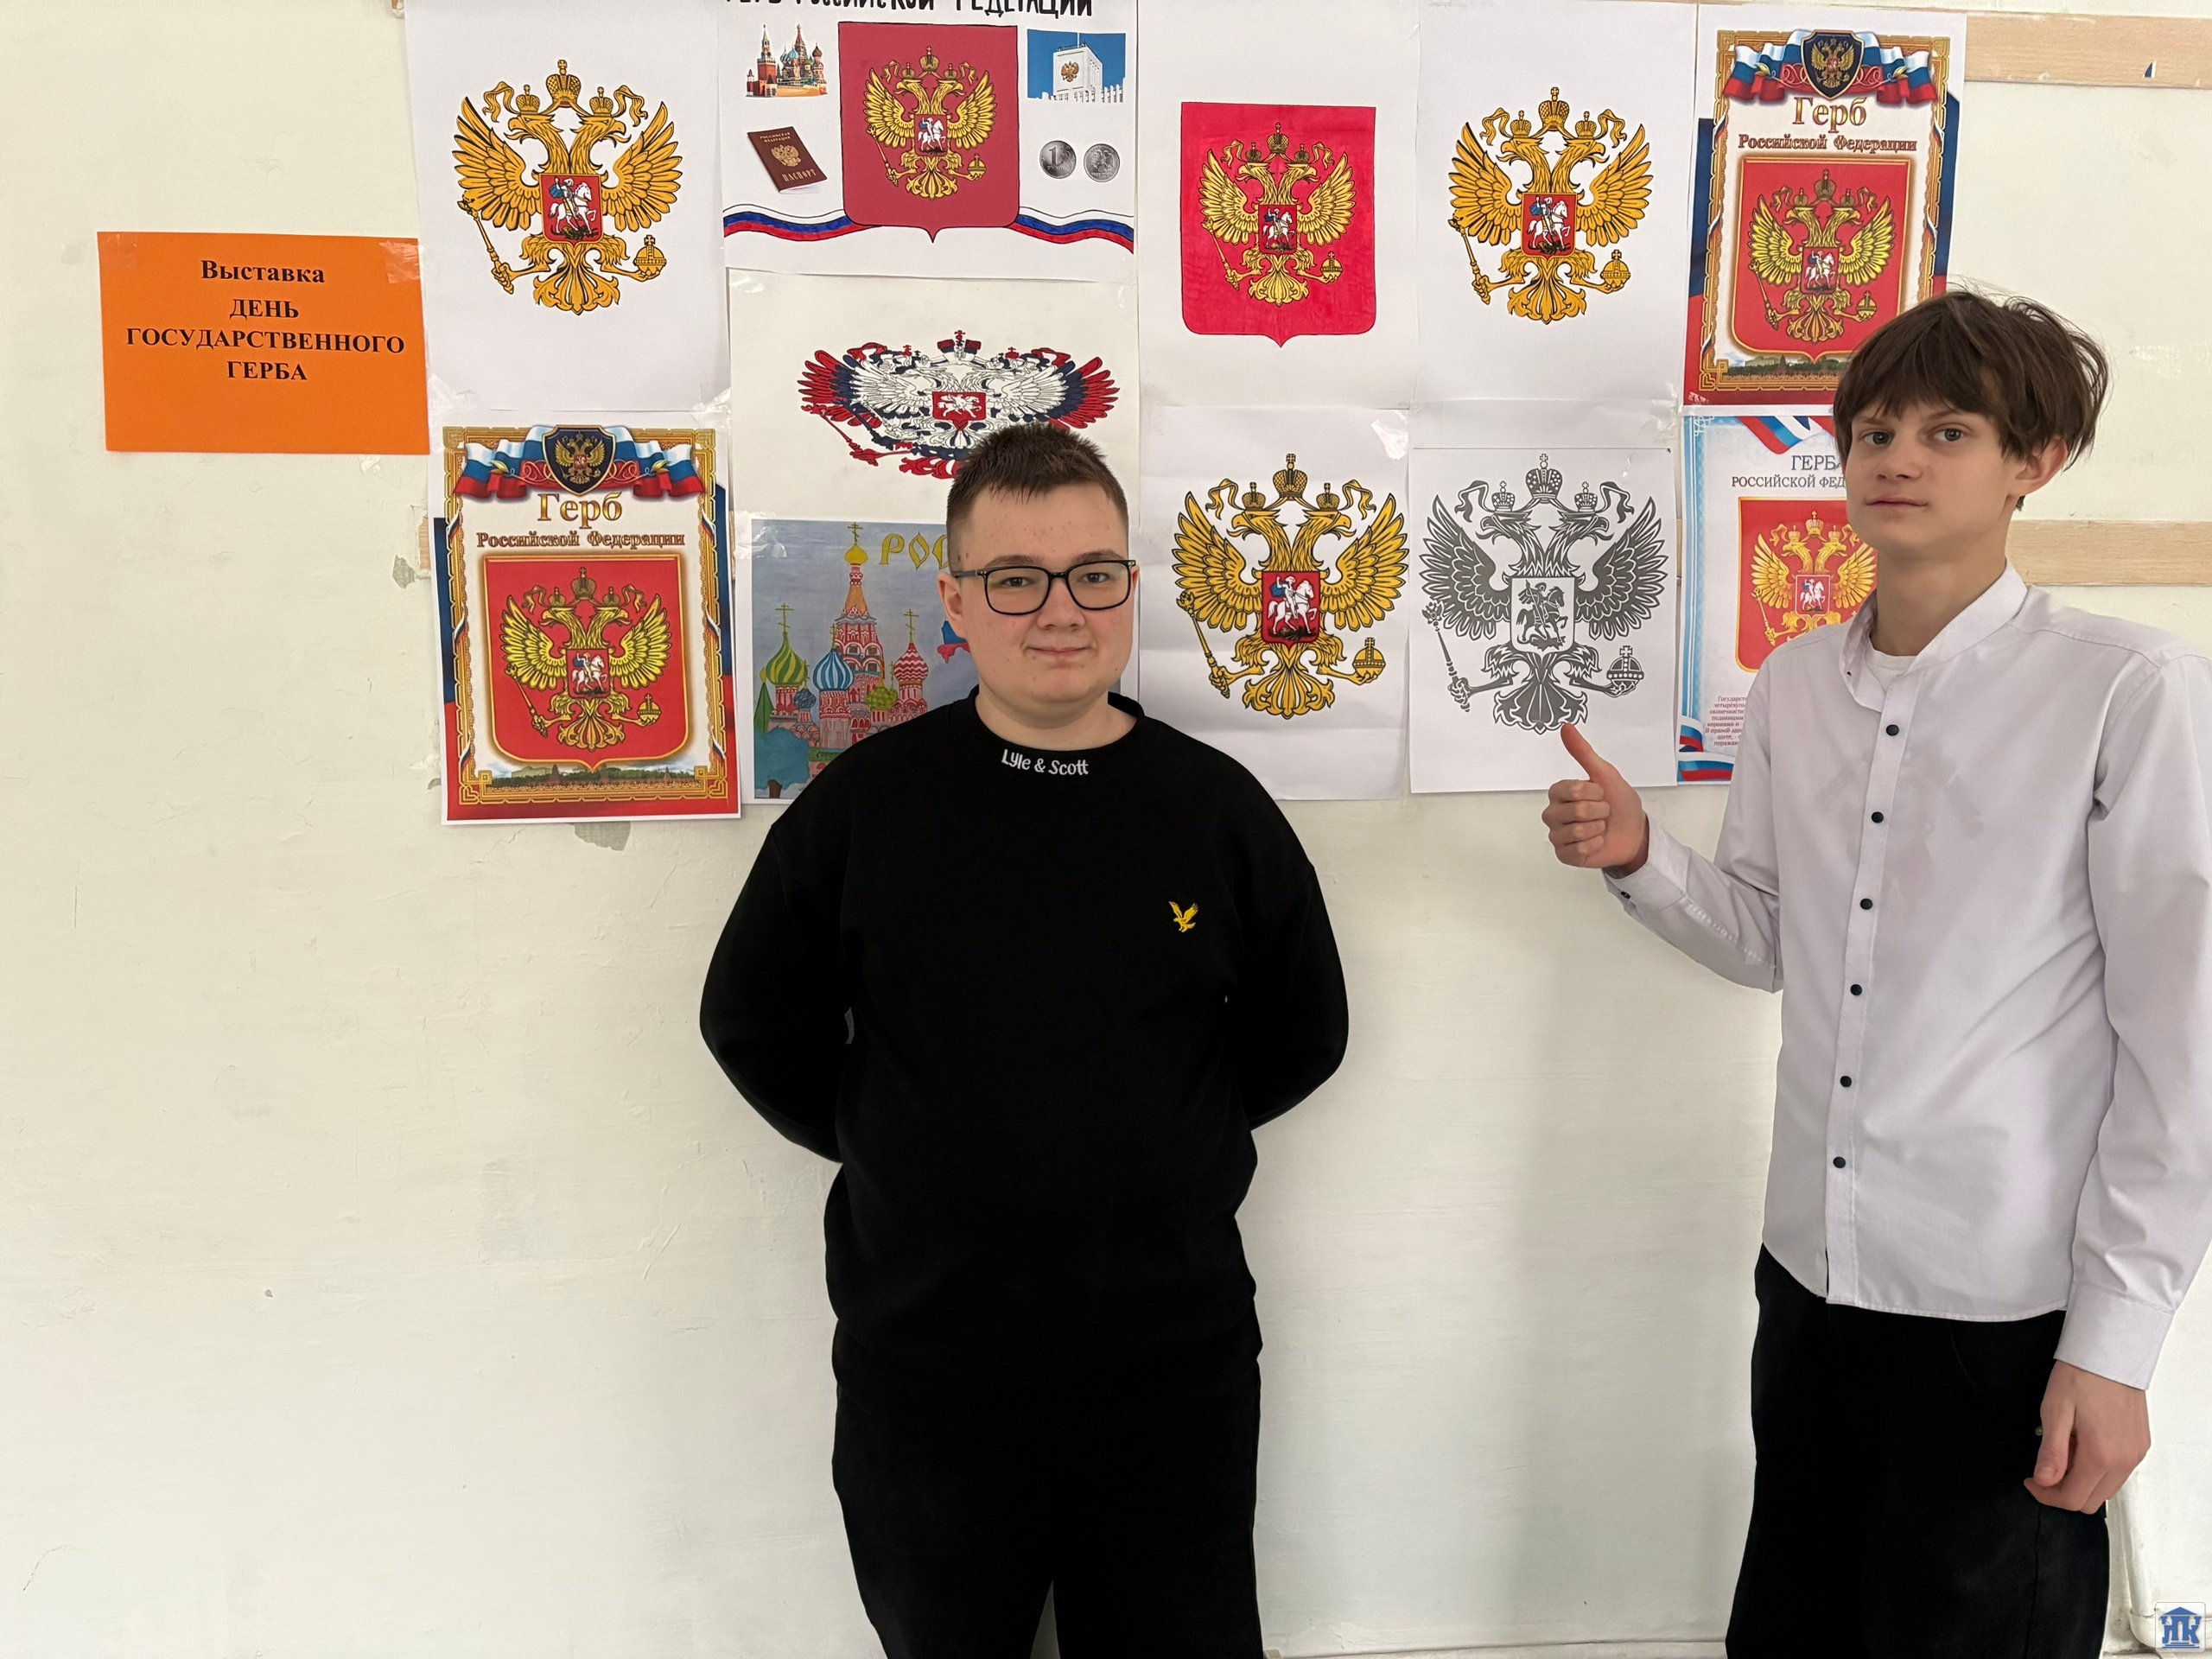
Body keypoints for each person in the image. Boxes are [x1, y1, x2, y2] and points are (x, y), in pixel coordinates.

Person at [1541, 290, 2212, 1655]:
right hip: (1811, 1273)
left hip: (2002, 1300)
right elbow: (1770, 940)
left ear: (2035, 464)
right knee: (1796, 1626)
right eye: (1875, 432)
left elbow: (2184, 1043)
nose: (1897, 458)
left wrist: (2116, 1343)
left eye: (1948, 432)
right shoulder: (1796, 684)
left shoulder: (2127, 691)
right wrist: (1641, 858)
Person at [701, 423, 1349, 1659]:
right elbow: (750, 1019)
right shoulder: (866, 809)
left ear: (1130, 587)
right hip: (928, 1369)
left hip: (1171, 1367)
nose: (1061, 611)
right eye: (1016, 579)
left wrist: (1163, 1144)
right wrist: (896, 1144)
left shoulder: (1215, 810)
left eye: (1093, 574)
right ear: (954, 601)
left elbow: (1304, 1032)